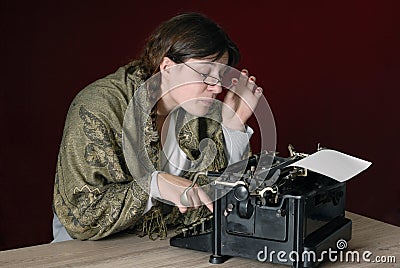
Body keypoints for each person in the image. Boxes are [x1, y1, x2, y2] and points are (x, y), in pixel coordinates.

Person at [52, 12, 264, 242]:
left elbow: (218, 201)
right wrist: (154, 184)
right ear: (167, 67)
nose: (216, 89)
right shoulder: (99, 106)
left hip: (162, 244)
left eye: (220, 75)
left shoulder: (203, 108)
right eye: (205, 74)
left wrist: (234, 124)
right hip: (88, 249)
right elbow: (82, 217)